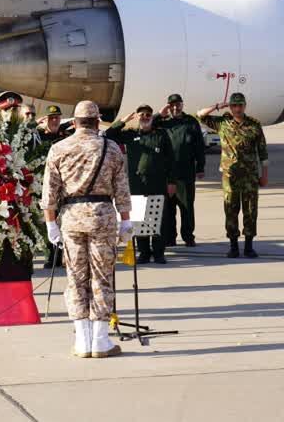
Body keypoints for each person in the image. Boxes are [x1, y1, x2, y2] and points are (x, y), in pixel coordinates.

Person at [41, 101, 132, 358]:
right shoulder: (111, 148)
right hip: (102, 217)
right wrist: (126, 221)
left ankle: (82, 340)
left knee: (76, 278)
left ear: (75, 121)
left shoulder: (59, 148)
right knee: (102, 277)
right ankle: (101, 340)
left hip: (71, 218)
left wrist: (50, 223)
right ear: (97, 121)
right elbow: (122, 190)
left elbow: (50, 192)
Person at [198, 93, 268, 258]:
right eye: (234, 105)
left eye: (240, 105)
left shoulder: (254, 125)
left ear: (245, 106)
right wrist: (217, 106)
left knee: (250, 210)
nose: (237, 109)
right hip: (230, 176)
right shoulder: (222, 123)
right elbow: (200, 115)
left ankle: (249, 246)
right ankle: (234, 246)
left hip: (250, 175)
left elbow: (263, 152)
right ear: (230, 106)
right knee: (231, 209)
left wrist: (264, 174)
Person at [105, 105, 175, 264]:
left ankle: (158, 253)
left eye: (148, 114)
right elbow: (109, 135)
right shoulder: (131, 135)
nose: (144, 117)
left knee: (158, 220)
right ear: (137, 116)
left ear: (152, 117)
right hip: (136, 186)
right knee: (139, 221)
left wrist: (171, 182)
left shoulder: (161, 135)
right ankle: (144, 252)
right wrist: (122, 122)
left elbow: (171, 160)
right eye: (142, 114)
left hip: (157, 185)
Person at [154, 94, 206, 248]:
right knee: (168, 208)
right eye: (172, 105)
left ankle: (188, 236)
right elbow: (146, 125)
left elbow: (199, 146)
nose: (175, 108)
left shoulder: (190, 122)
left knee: (186, 207)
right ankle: (170, 238)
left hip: (186, 172)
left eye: (178, 105)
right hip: (167, 173)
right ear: (168, 106)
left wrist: (200, 167)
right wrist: (159, 114)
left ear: (182, 105)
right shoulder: (163, 123)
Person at [38, 104, 69, 269]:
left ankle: (63, 256)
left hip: (63, 184)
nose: (54, 121)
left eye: (57, 117)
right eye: (51, 118)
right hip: (45, 184)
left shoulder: (66, 136)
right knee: (47, 220)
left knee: (62, 220)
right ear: (46, 120)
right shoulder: (39, 137)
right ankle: (50, 256)